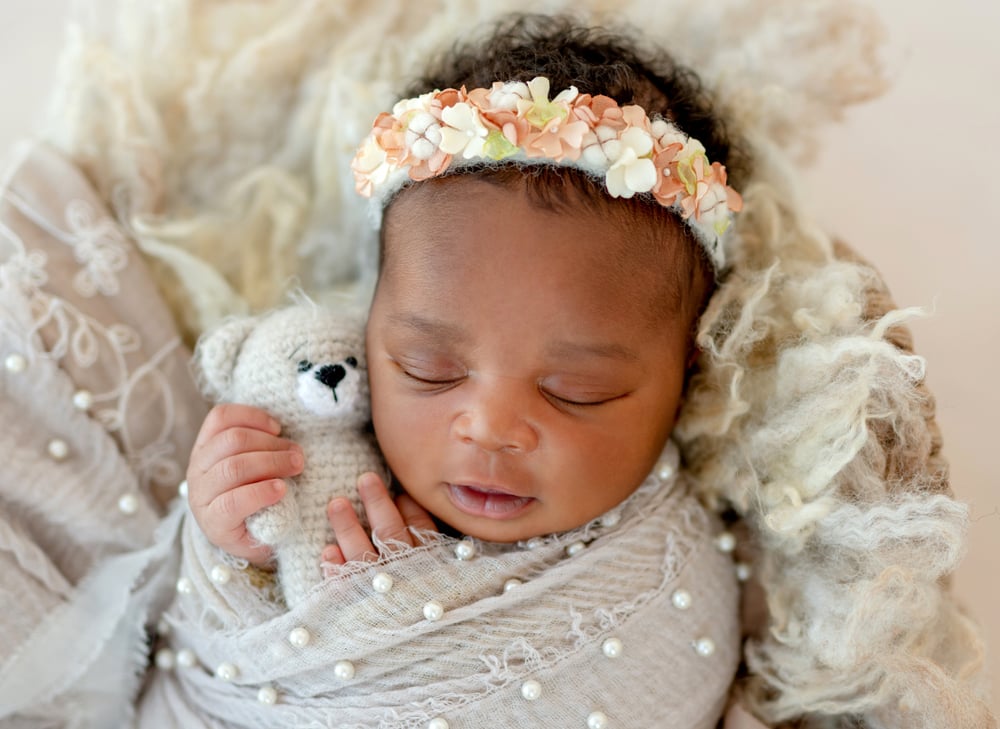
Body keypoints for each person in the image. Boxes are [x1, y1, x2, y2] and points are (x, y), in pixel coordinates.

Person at [1, 6, 992, 729]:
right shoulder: (312, 424)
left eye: (578, 390)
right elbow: (189, 645)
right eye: (427, 368)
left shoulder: (672, 559)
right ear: (371, 326)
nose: (489, 426)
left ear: (684, 378)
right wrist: (229, 539)